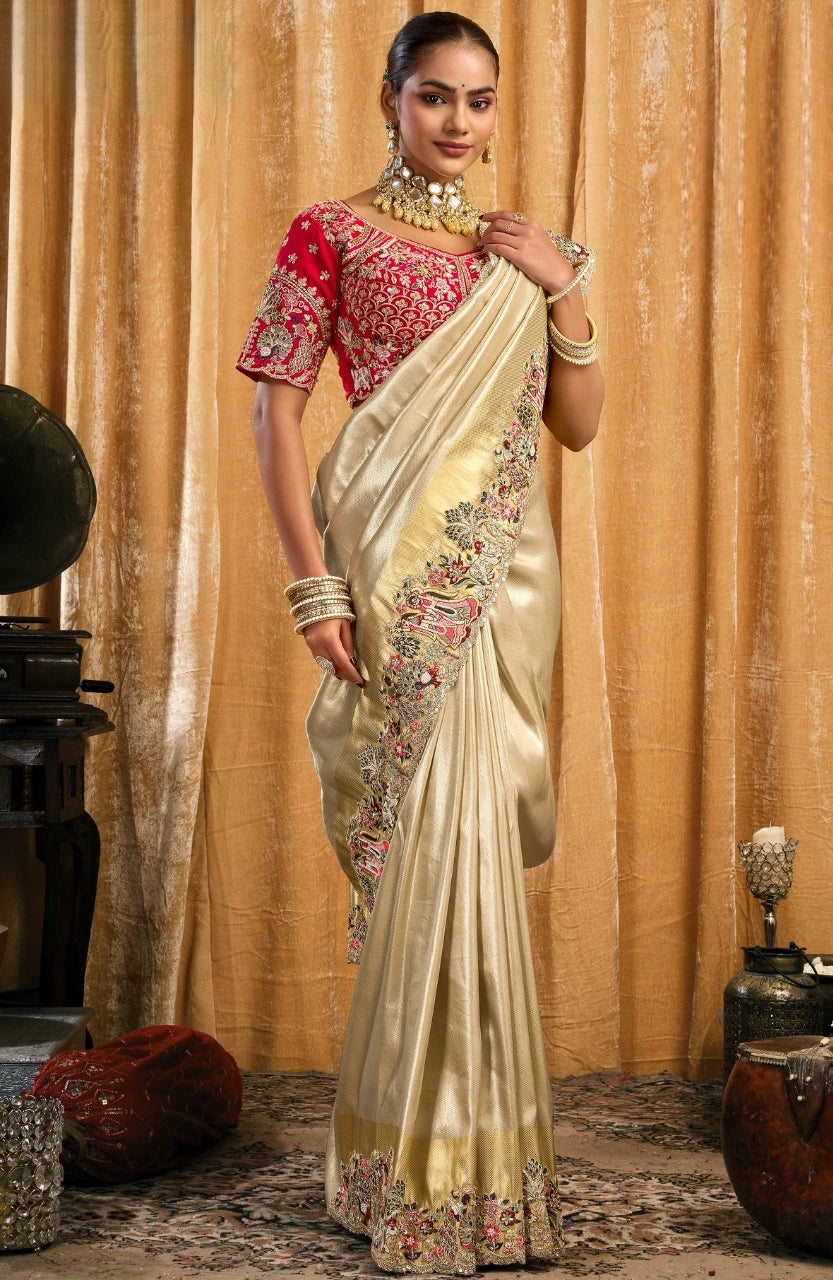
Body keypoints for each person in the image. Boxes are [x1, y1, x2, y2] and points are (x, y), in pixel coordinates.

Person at [237, 11, 603, 1274]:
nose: (457, 121)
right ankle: (416, 1169)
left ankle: (481, 1166)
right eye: (435, 95)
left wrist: (562, 285)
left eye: (479, 100)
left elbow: (577, 425)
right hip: (393, 567)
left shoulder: (519, 250)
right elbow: (277, 416)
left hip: (504, 572)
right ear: (390, 98)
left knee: (477, 846)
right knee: (429, 853)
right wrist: (315, 586)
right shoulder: (329, 232)